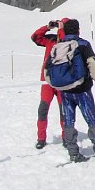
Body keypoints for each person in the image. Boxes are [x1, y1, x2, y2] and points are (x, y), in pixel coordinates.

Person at [55, 19, 95, 162]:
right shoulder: (83, 44)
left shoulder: (59, 45)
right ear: (78, 30)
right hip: (82, 89)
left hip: (65, 90)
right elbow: (92, 63)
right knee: (91, 119)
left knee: (68, 121)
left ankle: (73, 152)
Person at [31, 19, 67, 149]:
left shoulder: (68, 40)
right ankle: (41, 138)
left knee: (64, 111)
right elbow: (35, 37)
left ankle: (66, 137)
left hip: (62, 82)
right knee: (43, 110)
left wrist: (62, 29)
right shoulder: (50, 40)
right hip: (47, 81)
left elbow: (63, 42)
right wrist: (47, 27)